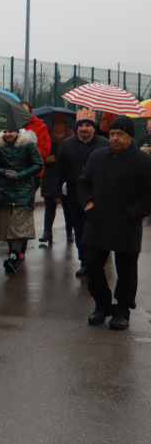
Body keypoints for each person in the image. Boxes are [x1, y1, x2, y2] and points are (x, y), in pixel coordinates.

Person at [77, 115, 151, 330]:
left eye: (120, 134)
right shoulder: (98, 156)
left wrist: (132, 213)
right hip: (97, 221)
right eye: (112, 134)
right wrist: (88, 205)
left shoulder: (143, 161)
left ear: (130, 137)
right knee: (92, 265)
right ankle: (102, 305)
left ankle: (122, 310)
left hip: (126, 224)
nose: (115, 138)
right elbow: (83, 183)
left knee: (126, 270)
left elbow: (149, 194)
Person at [57, 109, 109, 277]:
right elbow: (60, 169)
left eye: (88, 125)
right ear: (77, 128)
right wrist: (57, 190)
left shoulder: (104, 144)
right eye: (81, 126)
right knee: (79, 230)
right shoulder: (67, 144)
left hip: (98, 196)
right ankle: (84, 262)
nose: (84, 129)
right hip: (74, 195)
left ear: (93, 128)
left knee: (97, 229)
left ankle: (98, 261)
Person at [0, 125, 43, 274]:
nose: (8, 134)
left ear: (18, 132)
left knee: (19, 226)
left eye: (11, 131)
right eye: (6, 131)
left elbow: (38, 165)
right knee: (9, 226)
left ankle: (14, 256)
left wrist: (21, 174)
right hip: (5, 191)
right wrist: (4, 172)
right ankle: (13, 256)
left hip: (23, 190)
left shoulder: (28, 145)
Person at [38, 116, 73, 245]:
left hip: (65, 176)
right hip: (50, 176)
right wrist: (46, 159)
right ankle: (47, 231)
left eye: (61, 123)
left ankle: (69, 231)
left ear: (66, 125)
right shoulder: (47, 138)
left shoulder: (71, 140)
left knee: (68, 208)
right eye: (56, 123)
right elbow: (41, 155)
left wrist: (57, 159)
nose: (59, 126)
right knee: (49, 206)